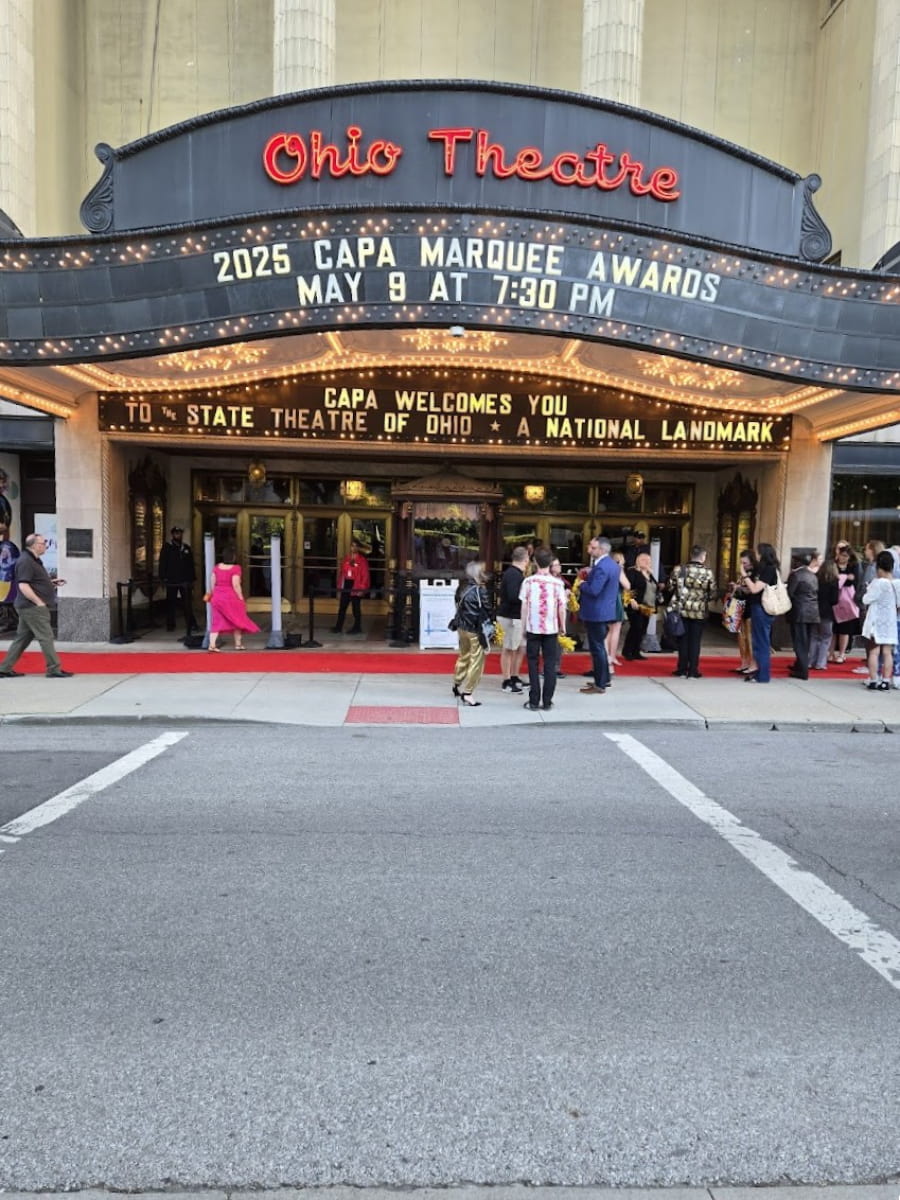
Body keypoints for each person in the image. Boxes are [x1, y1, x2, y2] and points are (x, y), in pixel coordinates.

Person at [0, 532, 73, 678]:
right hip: (31, 607)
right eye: (43, 543)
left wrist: (50, 583)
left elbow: (32, 581)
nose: (45, 545)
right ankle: (54, 669)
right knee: (46, 636)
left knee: (22, 638)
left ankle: (4, 668)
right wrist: (39, 602)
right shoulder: (26, 561)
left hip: (29, 606)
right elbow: (23, 585)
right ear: (34, 545)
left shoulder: (33, 560)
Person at [519, 546, 568, 711]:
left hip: (533, 627)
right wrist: (563, 625)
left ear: (535, 562)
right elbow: (561, 607)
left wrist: (523, 627)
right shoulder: (557, 583)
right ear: (551, 562)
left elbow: (524, 607)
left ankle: (534, 700)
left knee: (532, 663)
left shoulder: (528, 581)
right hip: (551, 627)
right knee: (550, 664)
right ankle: (547, 701)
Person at [577, 535, 619, 695]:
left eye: (593, 547)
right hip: (604, 611)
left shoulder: (601, 566)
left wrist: (582, 584)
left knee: (597, 648)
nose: (590, 550)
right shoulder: (612, 564)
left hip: (596, 612)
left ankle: (600, 683)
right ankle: (604, 678)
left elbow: (594, 590)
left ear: (601, 549)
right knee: (600, 646)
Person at [666, 545, 715, 678]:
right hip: (699, 611)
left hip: (681, 610)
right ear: (703, 557)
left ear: (691, 555)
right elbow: (712, 593)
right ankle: (693, 670)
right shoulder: (708, 572)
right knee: (695, 641)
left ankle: (681, 669)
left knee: (682, 640)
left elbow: (670, 587)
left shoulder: (679, 569)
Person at [451, 560, 494, 707]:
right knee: (476, 661)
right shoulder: (480, 590)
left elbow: (457, 604)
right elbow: (488, 609)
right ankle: (468, 693)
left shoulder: (461, 587)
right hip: (475, 629)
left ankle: (457, 683)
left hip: (462, 627)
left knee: (464, 655)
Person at [739, 542, 781, 683]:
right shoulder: (763, 568)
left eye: (757, 552)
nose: (755, 555)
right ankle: (759, 672)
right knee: (758, 641)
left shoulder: (769, 569)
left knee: (762, 642)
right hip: (758, 606)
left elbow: (756, 588)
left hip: (763, 608)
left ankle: (763, 675)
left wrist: (745, 576)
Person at [206, 547, 260, 652]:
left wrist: (214, 594)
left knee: (216, 621)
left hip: (217, 597)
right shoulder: (236, 568)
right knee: (237, 620)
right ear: (233, 557)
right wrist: (241, 597)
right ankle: (238, 644)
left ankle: (212, 645)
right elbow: (235, 584)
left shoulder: (216, 567)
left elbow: (212, 582)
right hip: (231, 597)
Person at [860, 549, 900, 691]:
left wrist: (867, 589)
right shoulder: (897, 584)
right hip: (890, 623)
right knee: (887, 652)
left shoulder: (878, 583)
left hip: (876, 623)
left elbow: (866, 599)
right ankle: (886, 680)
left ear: (878, 567)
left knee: (874, 652)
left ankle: (873, 679)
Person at [497, 545, 528, 693]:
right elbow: (513, 596)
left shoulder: (514, 573)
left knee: (519, 647)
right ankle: (506, 680)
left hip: (516, 616)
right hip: (510, 616)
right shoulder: (514, 575)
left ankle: (514, 676)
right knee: (509, 648)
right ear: (526, 559)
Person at [786, 550, 820, 679]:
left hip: (799, 611)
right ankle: (800, 665)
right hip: (812, 612)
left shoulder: (796, 575)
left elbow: (790, 593)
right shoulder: (812, 575)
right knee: (806, 641)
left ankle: (802, 670)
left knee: (799, 641)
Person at [158, 525, 197, 636]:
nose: (178, 535)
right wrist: (163, 578)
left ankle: (191, 623)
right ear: (172, 534)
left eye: (179, 533)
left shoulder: (186, 548)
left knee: (187, 603)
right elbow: (162, 563)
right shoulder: (167, 548)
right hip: (172, 580)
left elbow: (190, 565)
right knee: (171, 603)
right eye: (176, 533)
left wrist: (192, 579)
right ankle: (170, 624)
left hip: (184, 580)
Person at [829, 540, 860, 663]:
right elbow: (831, 579)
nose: (843, 558)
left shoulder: (854, 566)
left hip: (847, 601)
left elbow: (853, 581)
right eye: (842, 554)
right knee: (833, 630)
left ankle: (842, 654)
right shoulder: (832, 564)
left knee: (845, 629)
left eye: (846, 556)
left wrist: (842, 578)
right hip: (834, 600)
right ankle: (830, 653)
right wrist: (846, 577)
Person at [623, 551, 658, 661]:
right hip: (636, 605)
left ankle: (636, 651)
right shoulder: (632, 572)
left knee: (642, 629)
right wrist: (631, 599)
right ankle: (627, 651)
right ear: (637, 561)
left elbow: (655, 588)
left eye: (648, 560)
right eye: (643, 559)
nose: (646, 562)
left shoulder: (649, 574)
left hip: (648, 606)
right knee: (636, 627)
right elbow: (628, 587)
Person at [331, 539, 371, 635]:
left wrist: (362, 588)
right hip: (347, 584)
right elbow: (343, 573)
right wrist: (340, 585)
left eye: (356, 546)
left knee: (355, 608)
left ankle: (357, 627)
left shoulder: (362, 560)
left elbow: (365, 575)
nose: (354, 548)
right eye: (352, 545)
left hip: (356, 584)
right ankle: (338, 627)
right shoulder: (347, 558)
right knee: (342, 607)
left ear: (358, 547)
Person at [809, 556, 839, 671]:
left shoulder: (816, 578)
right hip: (827, 612)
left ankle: (811, 661)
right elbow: (834, 600)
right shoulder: (834, 581)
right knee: (825, 638)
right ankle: (820, 663)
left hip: (815, 610)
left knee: (814, 637)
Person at [605, 550, 629, 668]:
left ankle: (608, 655)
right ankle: (611, 656)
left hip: (608, 600)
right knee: (615, 630)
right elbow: (627, 585)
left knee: (610, 629)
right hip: (616, 599)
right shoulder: (618, 570)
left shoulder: (606, 569)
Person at [0, 521, 20, 631]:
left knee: (5, 602)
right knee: (6, 603)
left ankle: (8, 622)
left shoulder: (7, 547)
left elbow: (9, 564)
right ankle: (12, 621)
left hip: (5, 578)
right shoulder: (8, 546)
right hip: (6, 578)